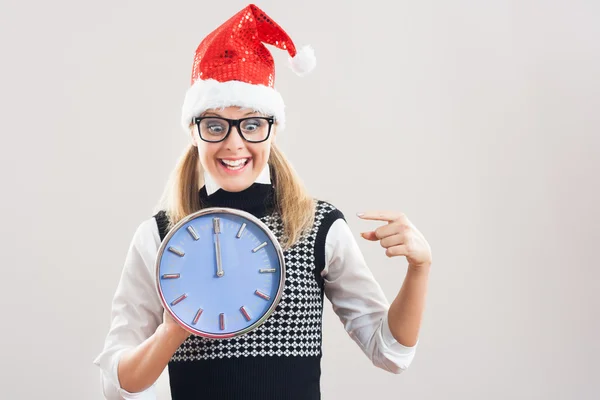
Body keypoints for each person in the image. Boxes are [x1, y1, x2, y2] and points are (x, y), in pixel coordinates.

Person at [93, 4, 432, 399]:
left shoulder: (316, 226)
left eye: (252, 124)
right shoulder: (161, 236)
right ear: (193, 131)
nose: (234, 143)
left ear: (272, 130)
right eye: (215, 125)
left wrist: (419, 268)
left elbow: (389, 350)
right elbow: (118, 385)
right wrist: (173, 329)